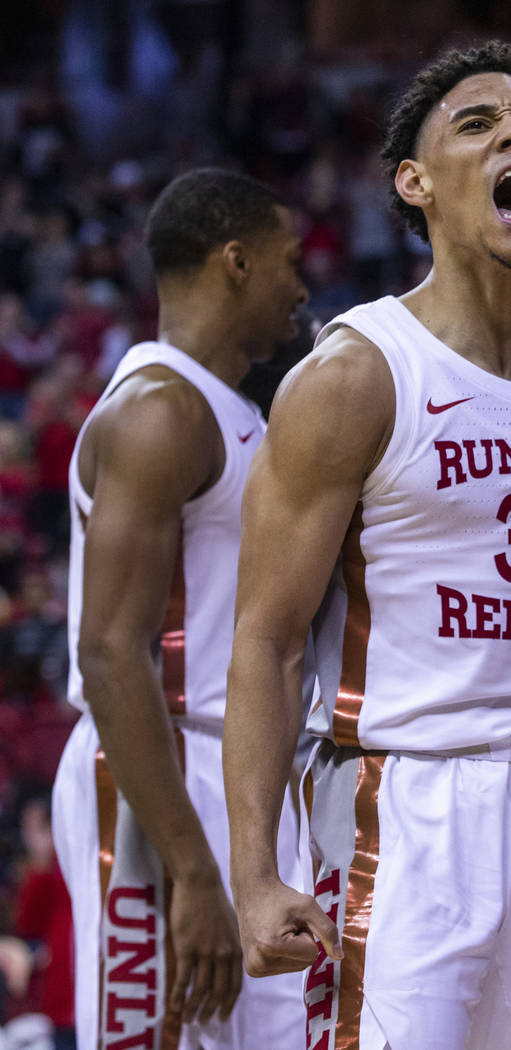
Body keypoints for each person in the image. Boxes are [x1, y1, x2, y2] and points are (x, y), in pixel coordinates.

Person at [223, 41, 511, 1050]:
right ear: (415, 184)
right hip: (404, 801)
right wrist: (255, 874)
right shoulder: (356, 375)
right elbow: (265, 637)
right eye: (477, 124)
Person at [51, 168, 310, 1050]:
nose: (304, 286)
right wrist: (192, 869)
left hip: (230, 769)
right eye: (289, 261)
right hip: (153, 776)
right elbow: (111, 653)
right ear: (235, 261)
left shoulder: (233, 410)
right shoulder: (159, 411)